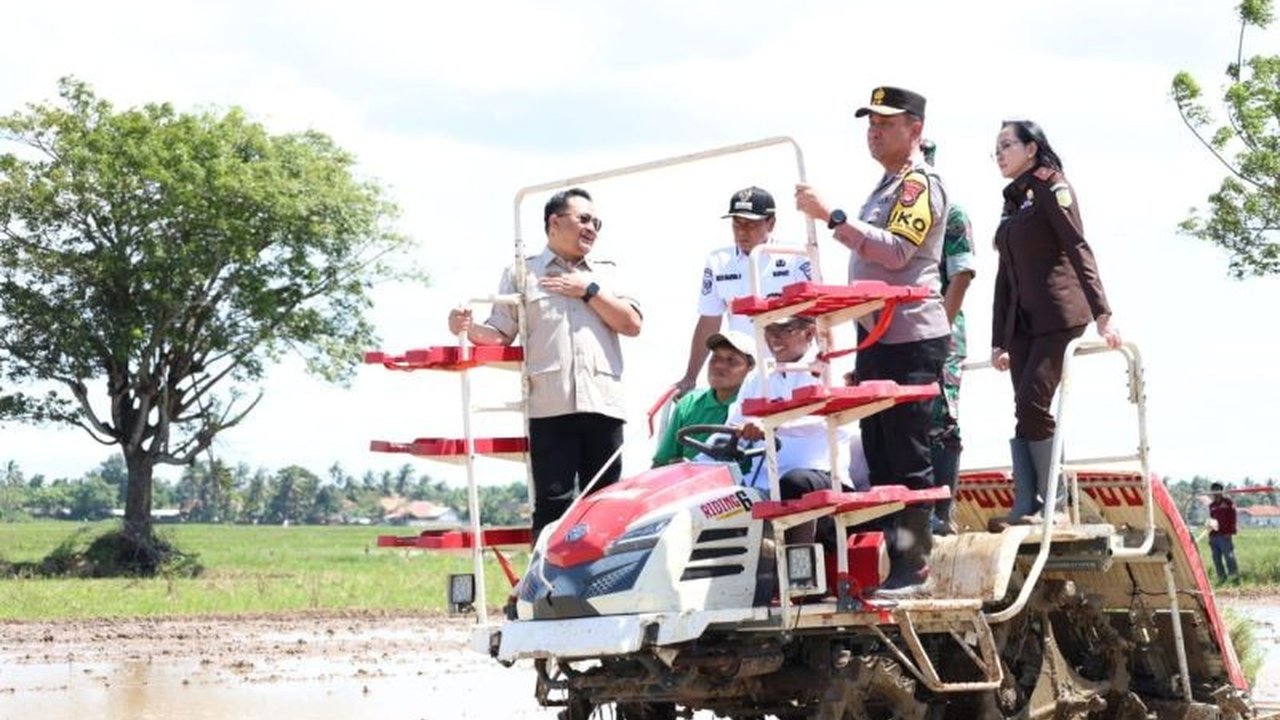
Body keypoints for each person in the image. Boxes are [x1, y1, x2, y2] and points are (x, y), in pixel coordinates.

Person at [794, 86, 951, 594]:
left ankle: (914, 566)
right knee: (882, 454)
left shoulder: (917, 186)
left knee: (906, 454)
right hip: (877, 335)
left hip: (908, 336)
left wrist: (833, 218)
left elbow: (898, 253)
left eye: (886, 122)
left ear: (915, 130)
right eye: (871, 123)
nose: (874, 130)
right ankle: (893, 563)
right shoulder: (886, 186)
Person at [447, 188, 643, 542]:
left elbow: (632, 324)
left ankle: (602, 587)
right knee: (553, 503)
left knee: (604, 502)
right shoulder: (523, 273)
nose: (592, 229)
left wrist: (589, 290)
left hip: (603, 401)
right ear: (555, 222)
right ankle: (543, 590)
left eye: (597, 222)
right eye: (584, 219)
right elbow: (499, 333)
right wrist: (465, 327)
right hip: (549, 405)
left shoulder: (607, 272)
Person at [988, 120, 1122, 527]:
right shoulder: (1012, 199)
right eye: (995, 148)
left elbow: (1077, 246)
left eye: (1007, 145)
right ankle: (1027, 503)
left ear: (1031, 149)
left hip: (1059, 314)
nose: (999, 153)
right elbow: (1003, 275)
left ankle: (1056, 505)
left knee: (1033, 401)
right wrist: (998, 340)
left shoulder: (1051, 185)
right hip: (1022, 323)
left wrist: (1103, 312)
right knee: (1023, 409)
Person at [671, 186, 812, 397]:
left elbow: (814, 315)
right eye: (736, 224)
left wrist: (824, 364)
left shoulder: (796, 257)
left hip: (790, 372)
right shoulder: (718, 261)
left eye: (751, 224)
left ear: (771, 223)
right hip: (742, 375)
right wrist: (690, 376)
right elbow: (709, 319)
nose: (742, 231)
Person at [726, 316, 848, 543]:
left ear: (810, 333)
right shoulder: (757, 377)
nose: (774, 337)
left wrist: (770, 426)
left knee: (794, 484)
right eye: (768, 329)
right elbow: (732, 428)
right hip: (762, 482)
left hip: (822, 475)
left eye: (785, 329)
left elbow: (832, 419)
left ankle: (800, 575)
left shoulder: (828, 369)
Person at [919, 139, 976, 536]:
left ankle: (941, 512)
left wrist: (940, 332)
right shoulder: (885, 217)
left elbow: (962, 274)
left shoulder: (951, 214)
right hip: (898, 333)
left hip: (940, 328)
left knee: (941, 418)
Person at [652, 330, 755, 467]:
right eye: (715, 358)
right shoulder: (688, 403)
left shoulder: (757, 408)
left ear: (751, 368)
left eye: (731, 360)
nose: (719, 365)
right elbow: (661, 463)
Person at [1208, 482, 1240, 584]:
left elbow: (1233, 517)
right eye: (1213, 490)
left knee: (1229, 556)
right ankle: (1221, 577)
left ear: (1221, 491)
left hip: (1225, 535)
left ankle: (1234, 576)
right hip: (1214, 536)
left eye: (1217, 489)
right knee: (1216, 558)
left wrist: (1231, 531)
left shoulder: (1228, 502)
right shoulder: (1212, 505)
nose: (1215, 492)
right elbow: (1212, 520)